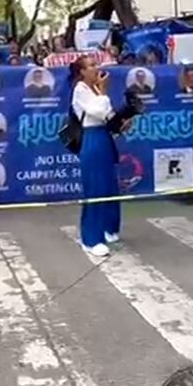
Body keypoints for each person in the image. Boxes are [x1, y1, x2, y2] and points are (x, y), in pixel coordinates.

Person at [70, 56, 132, 257]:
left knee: (108, 184)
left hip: (104, 137)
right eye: (91, 66)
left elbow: (107, 114)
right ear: (82, 71)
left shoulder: (96, 90)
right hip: (91, 138)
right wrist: (104, 91)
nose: (97, 68)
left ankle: (109, 227)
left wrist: (120, 124)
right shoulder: (80, 90)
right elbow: (96, 111)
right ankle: (90, 238)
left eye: (97, 64)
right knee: (95, 187)